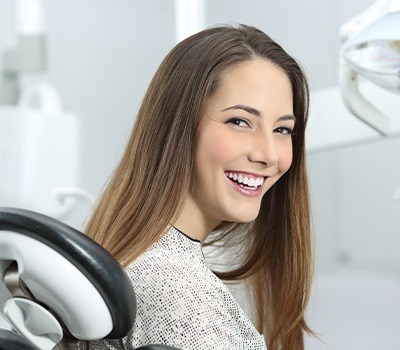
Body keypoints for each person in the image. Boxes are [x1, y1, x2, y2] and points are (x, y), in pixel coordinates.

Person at [87, 24, 313, 350]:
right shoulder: (178, 289)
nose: (268, 155)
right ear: (177, 128)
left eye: (282, 129)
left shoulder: (147, 262)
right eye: (239, 122)